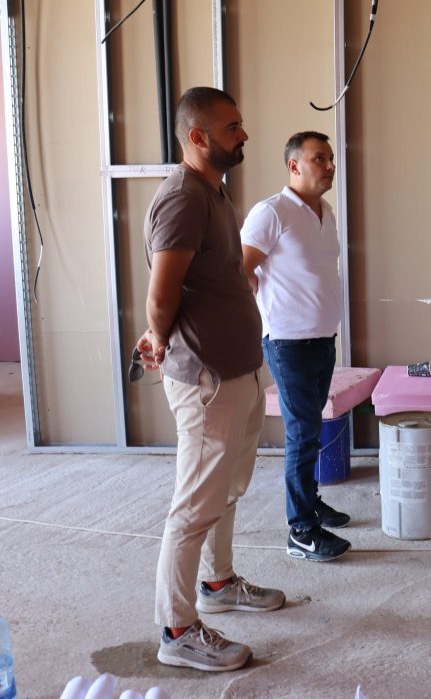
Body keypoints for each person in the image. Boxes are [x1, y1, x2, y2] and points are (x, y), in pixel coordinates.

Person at [139, 87, 285, 673]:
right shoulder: (182, 198)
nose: (243, 134)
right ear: (197, 137)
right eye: (231, 127)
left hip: (238, 369)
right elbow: (161, 296)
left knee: (225, 491)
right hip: (207, 379)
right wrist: (159, 336)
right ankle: (176, 630)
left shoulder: (214, 190)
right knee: (194, 506)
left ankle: (218, 585)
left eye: (240, 124)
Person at [240, 131, 350, 562]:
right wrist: (267, 306)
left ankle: (311, 503)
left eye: (330, 158)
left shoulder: (325, 212)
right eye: (319, 158)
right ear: (294, 166)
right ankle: (301, 530)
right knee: (302, 434)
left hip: (322, 338)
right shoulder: (272, 212)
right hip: (288, 343)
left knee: (310, 429)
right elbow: (241, 268)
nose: (329, 166)